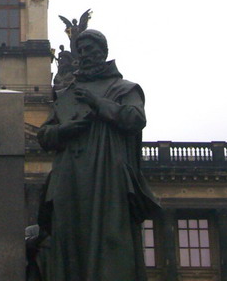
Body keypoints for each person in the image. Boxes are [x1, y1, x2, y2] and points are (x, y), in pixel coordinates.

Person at [37, 29, 159, 281]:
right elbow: (44, 135)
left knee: (110, 238)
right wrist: (64, 130)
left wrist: (98, 103)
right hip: (70, 176)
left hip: (107, 177)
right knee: (68, 238)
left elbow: (136, 118)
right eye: (81, 50)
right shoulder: (67, 94)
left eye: (90, 49)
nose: (85, 55)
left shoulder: (124, 88)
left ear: (103, 52)